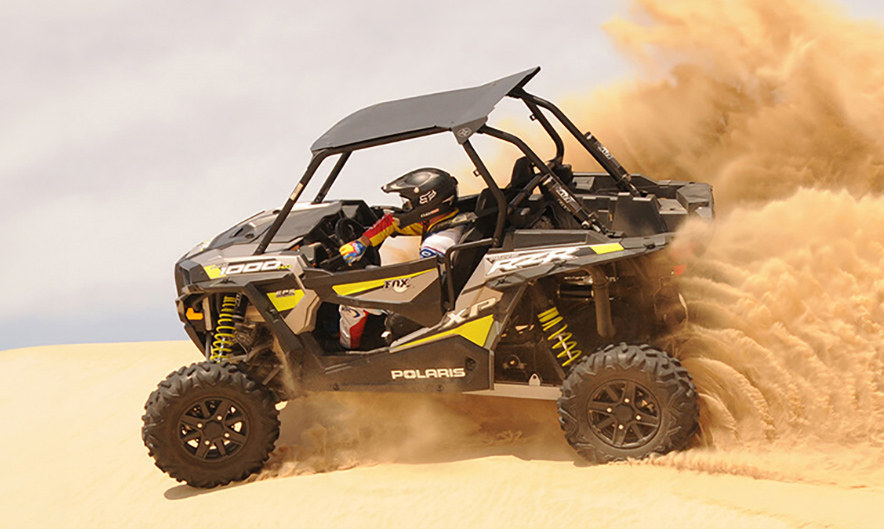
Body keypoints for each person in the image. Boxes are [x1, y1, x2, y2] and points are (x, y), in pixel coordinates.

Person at [337, 167, 464, 349]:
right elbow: (393, 223)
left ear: (428, 204)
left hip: (424, 303)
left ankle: (346, 353)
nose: (407, 208)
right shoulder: (447, 221)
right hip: (432, 292)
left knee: (349, 301)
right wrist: (362, 242)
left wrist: (369, 274)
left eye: (410, 203)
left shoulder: (438, 243)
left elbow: (420, 287)